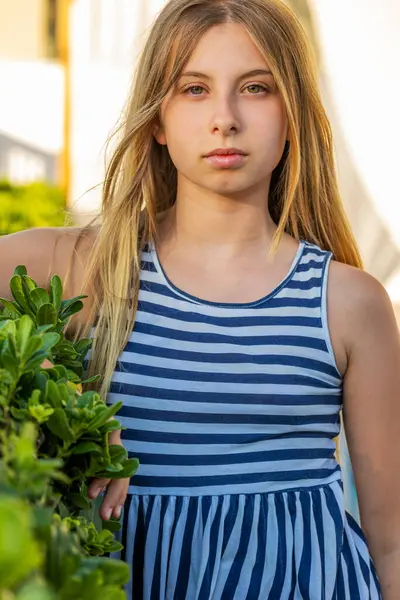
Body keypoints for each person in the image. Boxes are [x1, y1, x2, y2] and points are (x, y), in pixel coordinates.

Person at [1, 0, 399, 597]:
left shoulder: (347, 302)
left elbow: (392, 542)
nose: (225, 118)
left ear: (294, 113)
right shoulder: (84, 268)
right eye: (193, 88)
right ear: (156, 118)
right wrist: (60, 396)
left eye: (256, 88)